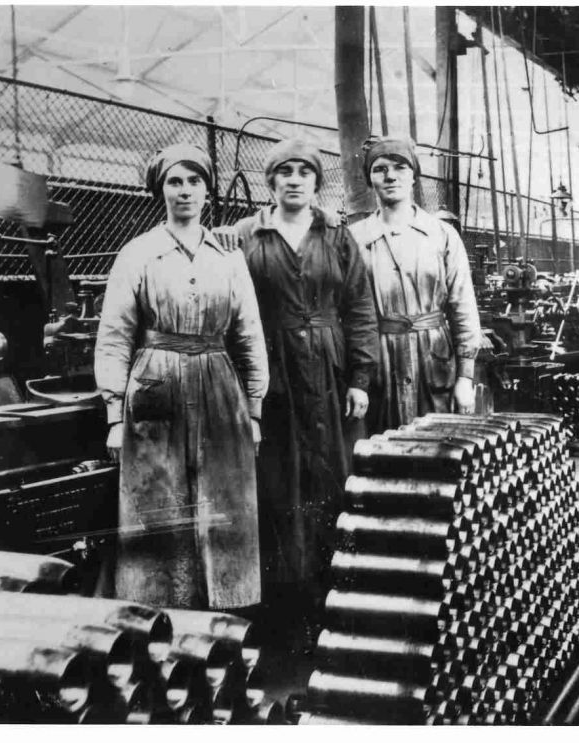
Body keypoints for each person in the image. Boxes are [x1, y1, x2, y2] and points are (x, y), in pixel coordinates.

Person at [94, 143, 268, 610]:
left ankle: (228, 610)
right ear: (160, 190)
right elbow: (114, 335)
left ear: (208, 190)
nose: (185, 191)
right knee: (156, 499)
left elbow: (249, 333)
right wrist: (115, 414)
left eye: (194, 181)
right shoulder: (138, 254)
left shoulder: (228, 255)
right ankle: (156, 613)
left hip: (218, 380)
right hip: (156, 382)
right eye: (175, 181)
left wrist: (253, 409)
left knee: (225, 497)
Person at [234, 139, 378, 648]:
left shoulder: (336, 236)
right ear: (270, 182)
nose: (294, 180)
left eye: (304, 172)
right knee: (278, 485)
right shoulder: (245, 235)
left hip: (330, 371)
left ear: (318, 183)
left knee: (334, 478)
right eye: (284, 172)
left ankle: (335, 599)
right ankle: (284, 613)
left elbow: (359, 307)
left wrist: (360, 378)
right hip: (272, 375)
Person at [349, 136, 482, 430]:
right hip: (380, 360)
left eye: (400, 167)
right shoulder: (354, 239)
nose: (390, 176)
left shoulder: (442, 235)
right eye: (380, 169)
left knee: (438, 452)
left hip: (434, 361)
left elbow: (463, 308)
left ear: (414, 175)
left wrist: (465, 377)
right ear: (370, 179)